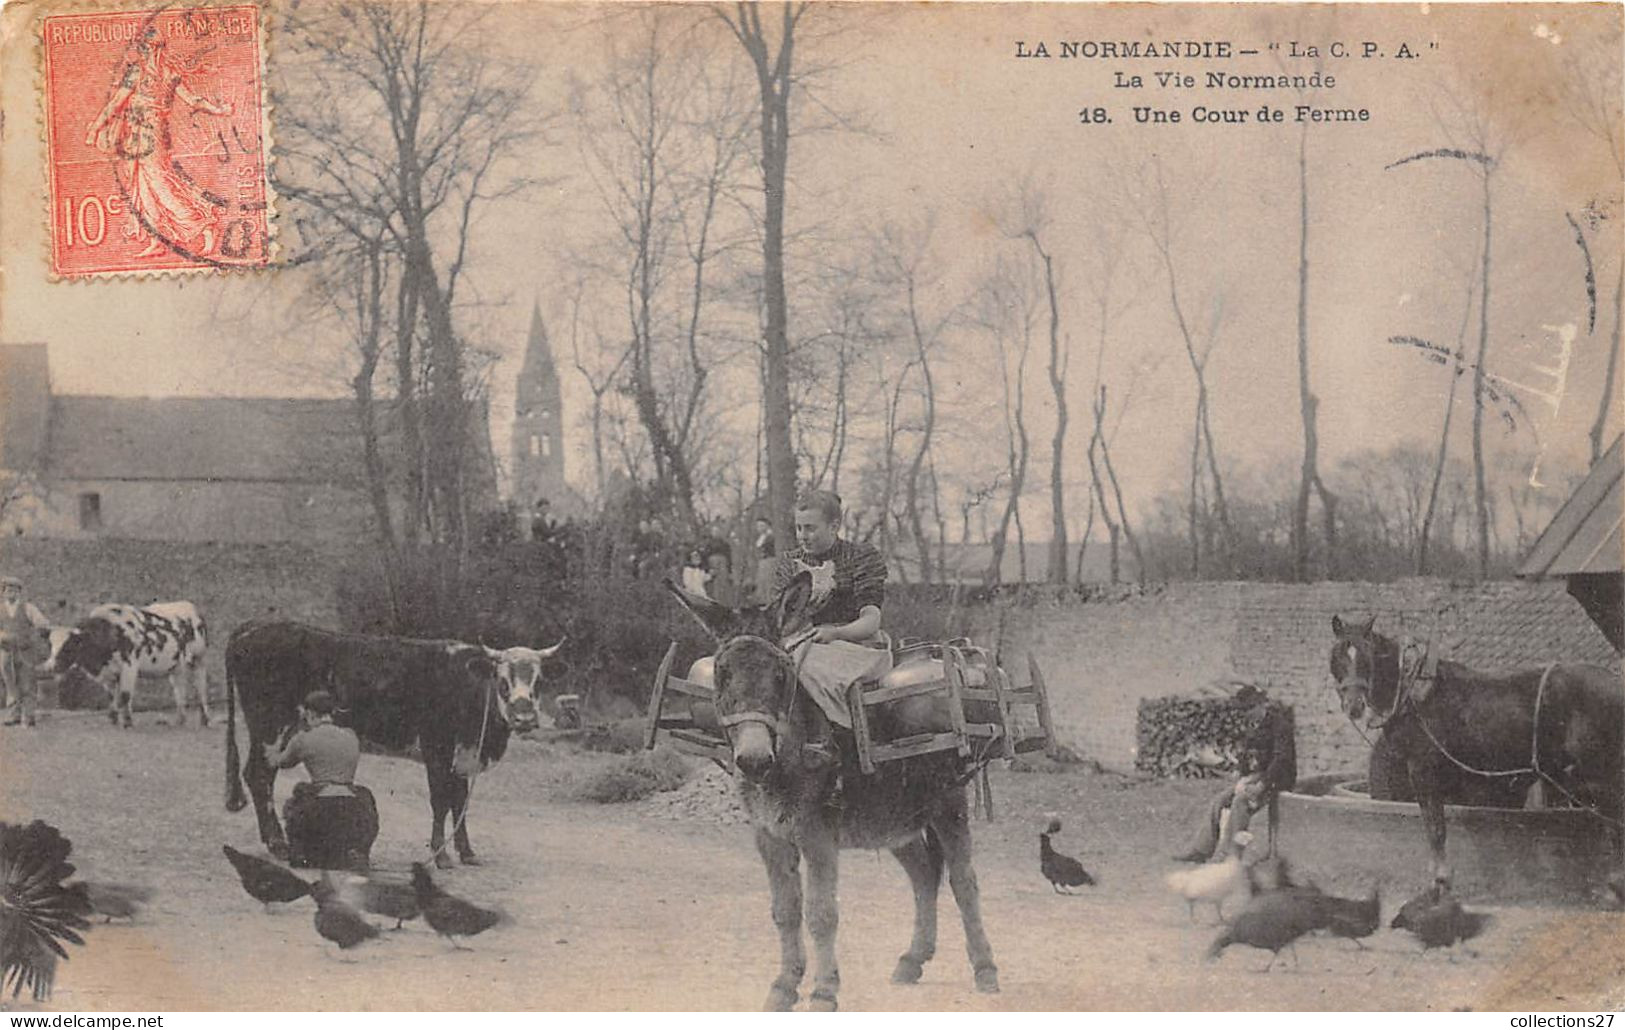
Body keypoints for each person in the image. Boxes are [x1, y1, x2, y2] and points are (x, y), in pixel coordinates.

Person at [84, 27, 235, 259]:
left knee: (159, 183)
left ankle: (203, 225)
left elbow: (116, 103)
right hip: (136, 133)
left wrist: (96, 127)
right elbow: (192, 101)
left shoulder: (149, 72)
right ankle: (158, 240)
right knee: (143, 185)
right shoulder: (155, 72)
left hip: (150, 134)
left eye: (146, 47)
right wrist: (218, 110)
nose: (143, 52)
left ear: (152, 49)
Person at [772, 490, 892, 768]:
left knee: (805, 666)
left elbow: (871, 620)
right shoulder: (789, 564)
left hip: (857, 645)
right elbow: (778, 620)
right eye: (799, 528)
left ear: (834, 526)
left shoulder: (860, 557)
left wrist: (836, 633)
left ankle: (835, 739)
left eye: (811, 528)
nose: (803, 536)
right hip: (802, 644)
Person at [1174, 685, 1297, 863]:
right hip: (1257, 776)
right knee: (1219, 801)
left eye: (1250, 708)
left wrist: (1261, 785)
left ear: (1262, 705)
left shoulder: (1280, 726)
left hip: (1278, 779)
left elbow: (1281, 760)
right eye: (1244, 710)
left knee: (1241, 802)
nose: (1247, 713)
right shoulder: (1251, 726)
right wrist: (1243, 778)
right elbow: (1246, 757)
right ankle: (1201, 850)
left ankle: (1231, 856)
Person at [263, 691, 380, 871]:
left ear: (309, 713)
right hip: (351, 809)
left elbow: (277, 763)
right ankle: (359, 850)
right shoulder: (350, 735)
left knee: (298, 794)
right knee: (365, 794)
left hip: (319, 811)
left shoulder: (303, 739)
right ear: (332, 712)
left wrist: (276, 745)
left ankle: (300, 853)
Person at [1, 576, 50, 728]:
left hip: (26, 651)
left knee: (27, 682)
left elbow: (43, 625)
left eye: (15, 590)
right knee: (10, 683)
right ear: (3, 592)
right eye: (8, 590)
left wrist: (32, 636)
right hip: (6, 651)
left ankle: (28, 715)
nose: (11, 593)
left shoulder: (28, 608)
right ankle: (12, 714)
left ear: (19, 593)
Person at [752, 516, 777, 603]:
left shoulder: (770, 536)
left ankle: (769, 601)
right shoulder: (761, 537)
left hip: (769, 561)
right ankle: (763, 601)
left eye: (762, 526)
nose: (759, 528)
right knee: (761, 582)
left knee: (768, 582)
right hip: (762, 561)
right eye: (758, 526)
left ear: (767, 526)